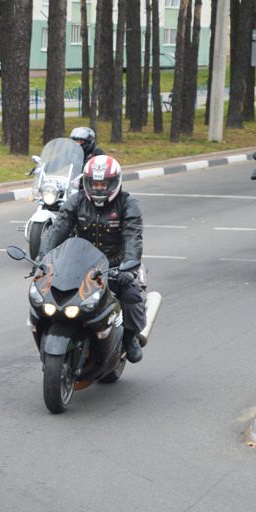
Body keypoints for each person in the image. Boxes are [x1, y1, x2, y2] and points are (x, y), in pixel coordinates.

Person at [38, 155, 146, 364]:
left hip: (116, 265)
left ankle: (130, 337)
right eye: (94, 183)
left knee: (131, 297)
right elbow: (57, 230)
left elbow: (134, 238)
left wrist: (128, 269)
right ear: (86, 182)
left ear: (114, 182)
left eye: (103, 183)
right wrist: (42, 258)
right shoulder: (76, 200)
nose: (98, 188)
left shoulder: (127, 203)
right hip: (81, 264)